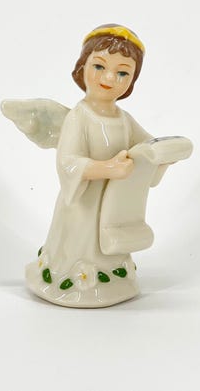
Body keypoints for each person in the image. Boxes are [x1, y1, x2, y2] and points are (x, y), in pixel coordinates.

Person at [25, 24, 167, 307]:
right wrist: (107, 169)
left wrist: (163, 154)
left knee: (109, 244)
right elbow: (68, 162)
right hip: (83, 204)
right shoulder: (80, 117)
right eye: (99, 66)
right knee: (82, 242)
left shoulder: (124, 119)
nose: (109, 78)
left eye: (123, 72)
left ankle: (112, 279)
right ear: (82, 68)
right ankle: (71, 279)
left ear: (132, 81)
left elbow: (148, 145)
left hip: (115, 205)